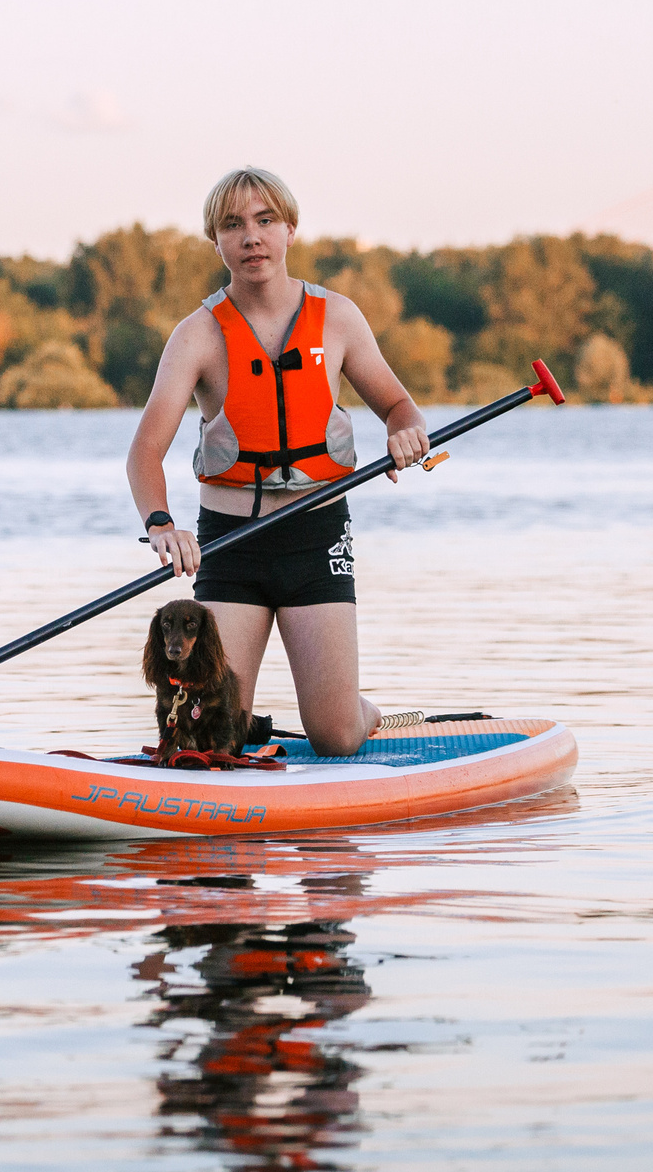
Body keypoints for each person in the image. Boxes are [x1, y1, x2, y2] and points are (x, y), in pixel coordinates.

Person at [126, 167, 429, 757]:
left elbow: (399, 407)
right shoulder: (196, 336)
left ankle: (361, 711)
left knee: (336, 737)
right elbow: (144, 453)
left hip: (316, 541)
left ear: (290, 229)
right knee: (216, 734)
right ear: (215, 240)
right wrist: (161, 525)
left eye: (265, 221)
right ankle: (249, 727)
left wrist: (405, 434)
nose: (251, 237)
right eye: (233, 225)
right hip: (230, 547)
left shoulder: (338, 318)